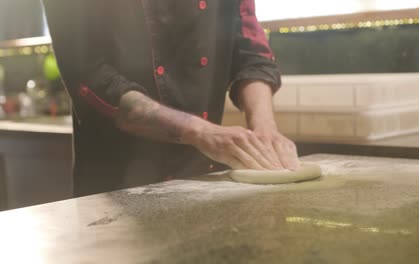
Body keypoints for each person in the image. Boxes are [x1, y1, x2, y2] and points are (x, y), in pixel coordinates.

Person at [42, 0, 300, 197]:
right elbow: (88, 74)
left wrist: (265, 129)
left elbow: (250, 50)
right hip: (116, 186)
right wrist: (201, 132)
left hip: (203, 181)